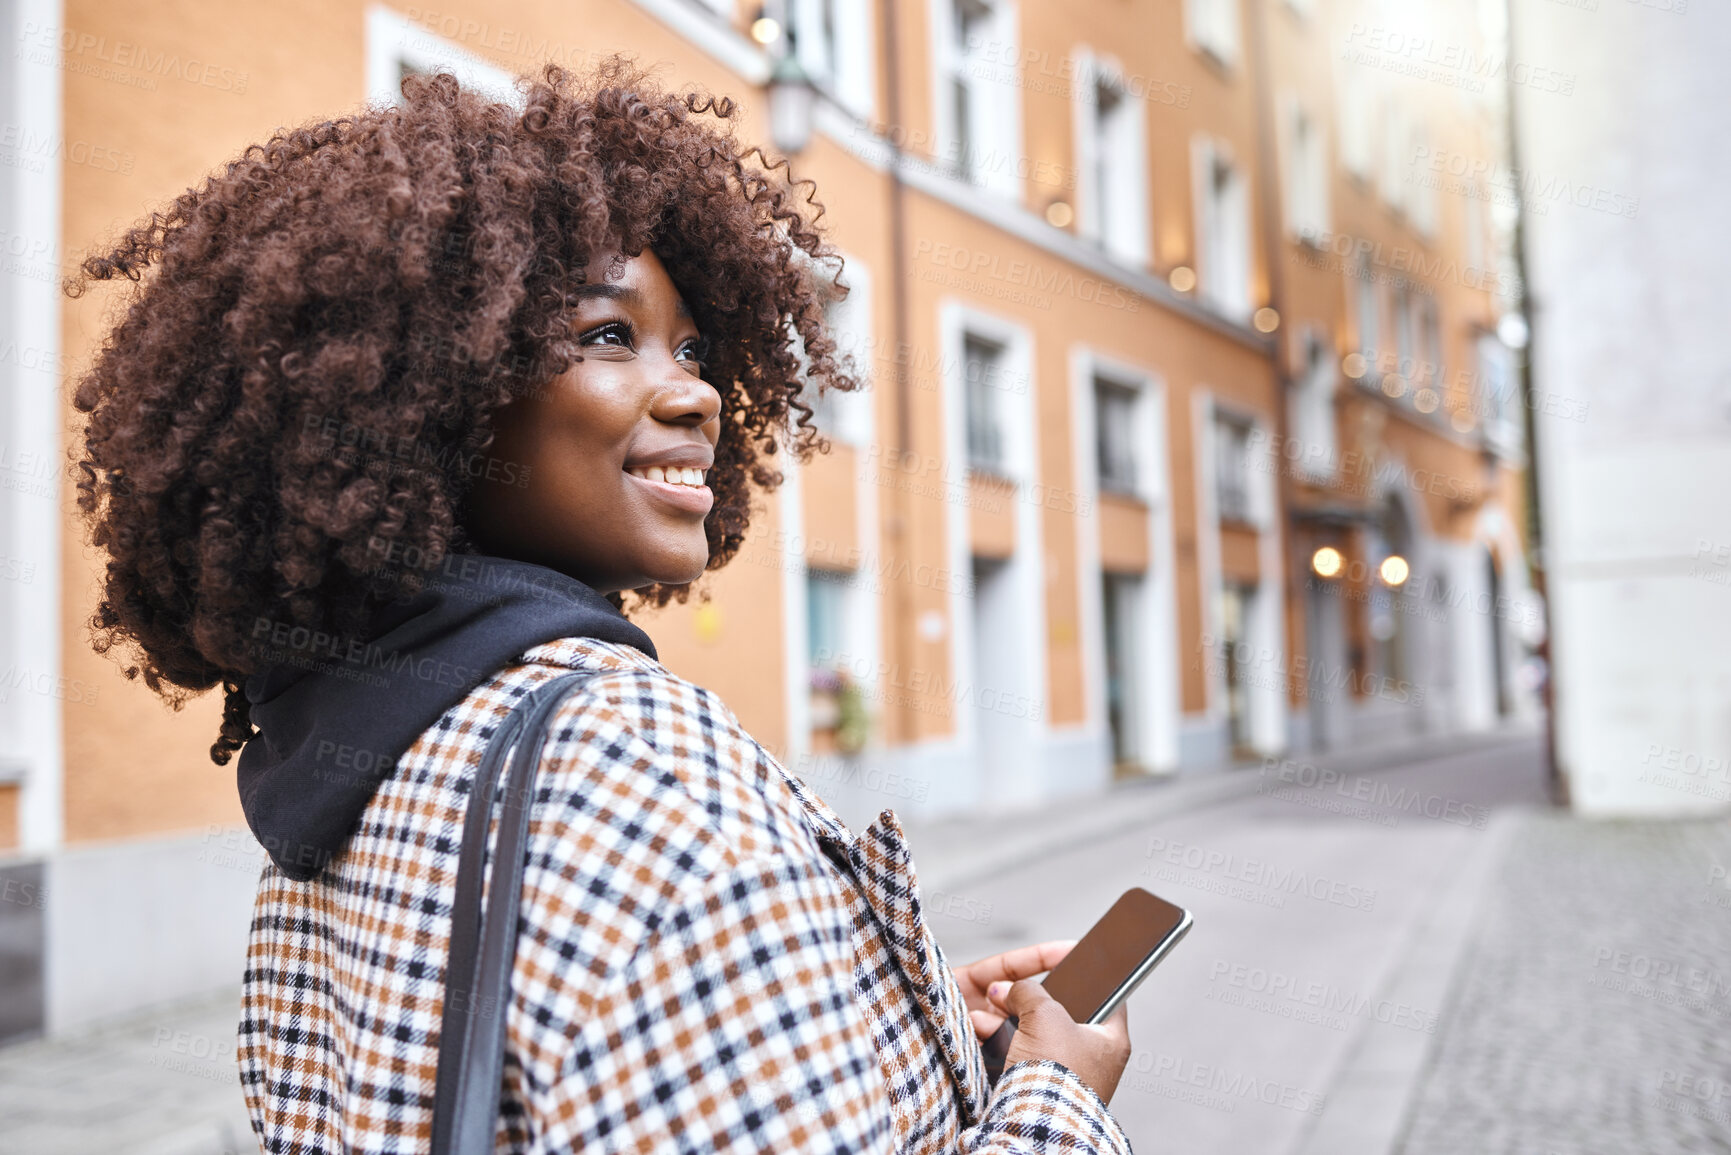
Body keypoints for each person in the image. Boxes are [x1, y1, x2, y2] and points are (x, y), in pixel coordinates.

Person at [67, 61, 1133, 1153]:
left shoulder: (347, 771)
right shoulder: (642, 765)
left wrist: (862, 1021)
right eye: (608, 336)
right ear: (439, 395)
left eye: (695, 348)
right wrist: (1057, 1093)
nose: (700, 393)